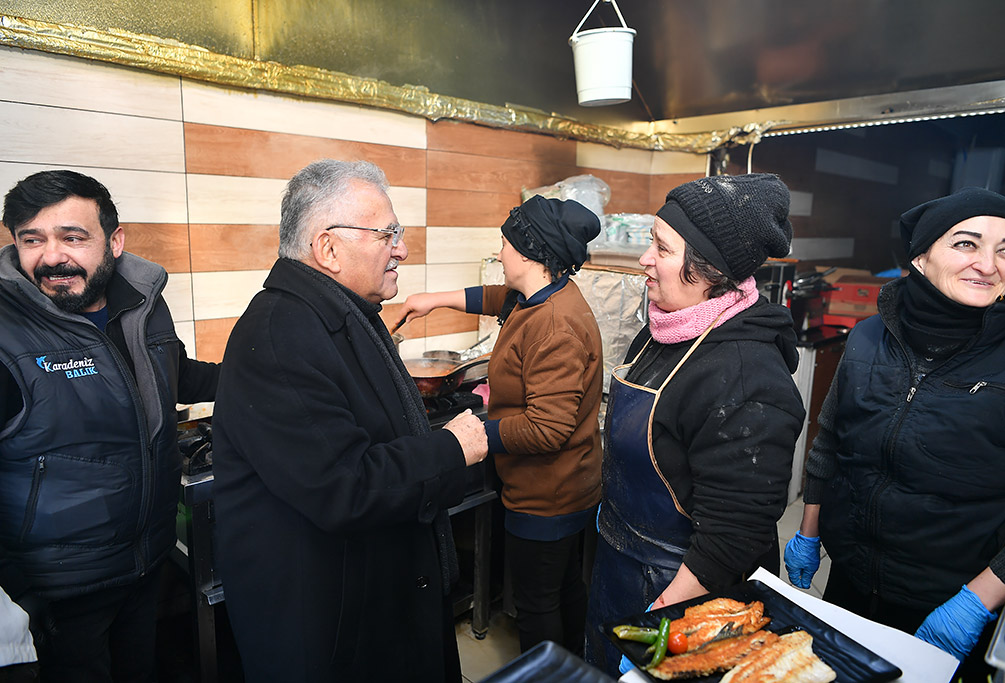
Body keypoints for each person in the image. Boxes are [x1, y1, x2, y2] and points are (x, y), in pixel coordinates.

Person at [213, 159, 488, 682]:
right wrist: (449, 448)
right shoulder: (280, 334)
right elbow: (345, 486)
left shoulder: (343, 314)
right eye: (388, 234)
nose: (401, 249)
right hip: (329, 633)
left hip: (375, 608)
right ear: (329, 249)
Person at [785, 187, 1005, 681]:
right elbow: (831, 442)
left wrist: (978, 601)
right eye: (966, 243)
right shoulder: (869, 336)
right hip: (851, 578)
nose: (989, 265)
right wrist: (808, 531)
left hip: (955, 599)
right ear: (920, 258)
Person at [0, 169, 220, 681]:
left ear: (114, 241)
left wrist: (270, 374)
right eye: (32, 240)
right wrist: (19, 591)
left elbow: (176, 374)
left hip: (144, 564)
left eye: (73, 237)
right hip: (57, 593)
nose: (52, 257)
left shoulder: (141, 303)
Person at [582, 173, 806, 676]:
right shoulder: (662, 330)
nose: (645, 259)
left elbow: (734, 535)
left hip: (682, 593)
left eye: (661, 248)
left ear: (709, 271)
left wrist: (658, 626)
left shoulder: (746, 376)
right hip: (621, 563)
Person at [396, 195, 604, 655]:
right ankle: (576, 667)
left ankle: (548, 672)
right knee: (564, 588)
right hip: (564, 485)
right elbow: (497, 298)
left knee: (538, 602)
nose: (500, 253)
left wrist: (475, 435)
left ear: (529, 254)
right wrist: (432, 301)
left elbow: (549, 429)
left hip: (548, 494)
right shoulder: (543, 295)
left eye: (505, 245)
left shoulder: (554, 326)